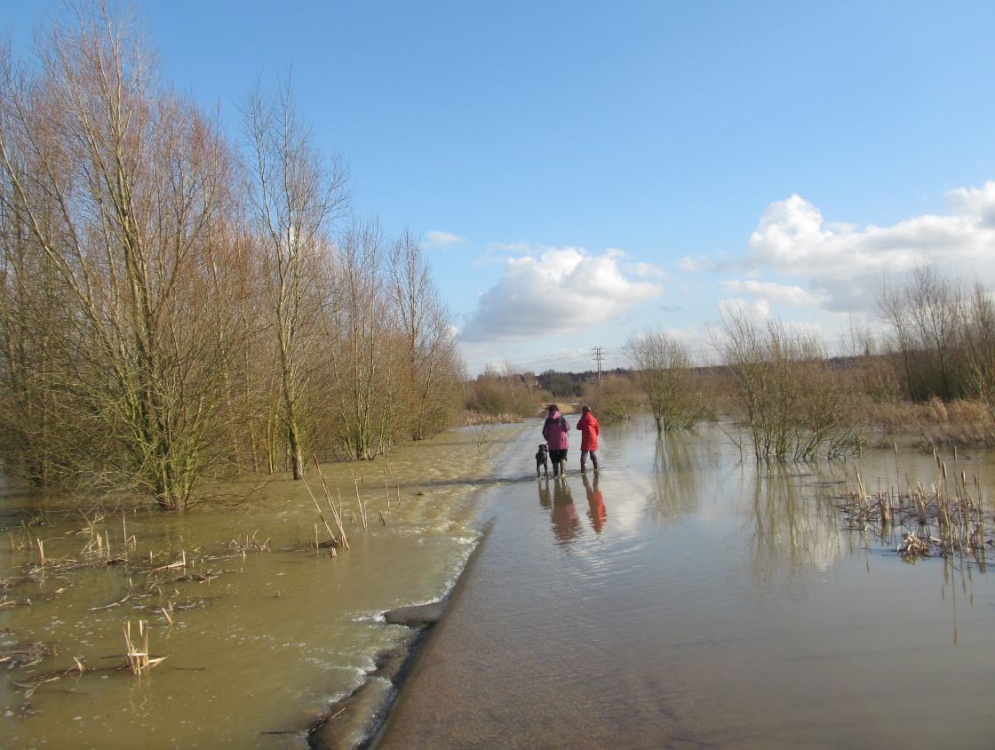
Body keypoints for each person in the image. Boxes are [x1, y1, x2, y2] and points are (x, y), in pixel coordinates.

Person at [542, 404, 571, 477]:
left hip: (552, 443)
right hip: (563, 441)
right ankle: (563, 473)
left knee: (554, 459)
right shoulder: (562, 418)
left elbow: (544, 432)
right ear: (557, 410)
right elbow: (567, 427)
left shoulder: (548, 420)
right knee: (563, 456)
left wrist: (548, 439)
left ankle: (555, 475)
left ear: (550, 411)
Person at [576, 405, 600, 473]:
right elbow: (597, 429)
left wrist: (581, 418)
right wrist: (595, 436)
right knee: (592, 453)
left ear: (583, 411)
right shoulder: (594, 419)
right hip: (593, 438)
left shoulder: (583, 419)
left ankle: (583, 470)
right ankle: (596, 467)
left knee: (584, 453)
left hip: (586, 439)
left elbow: (578, 427)